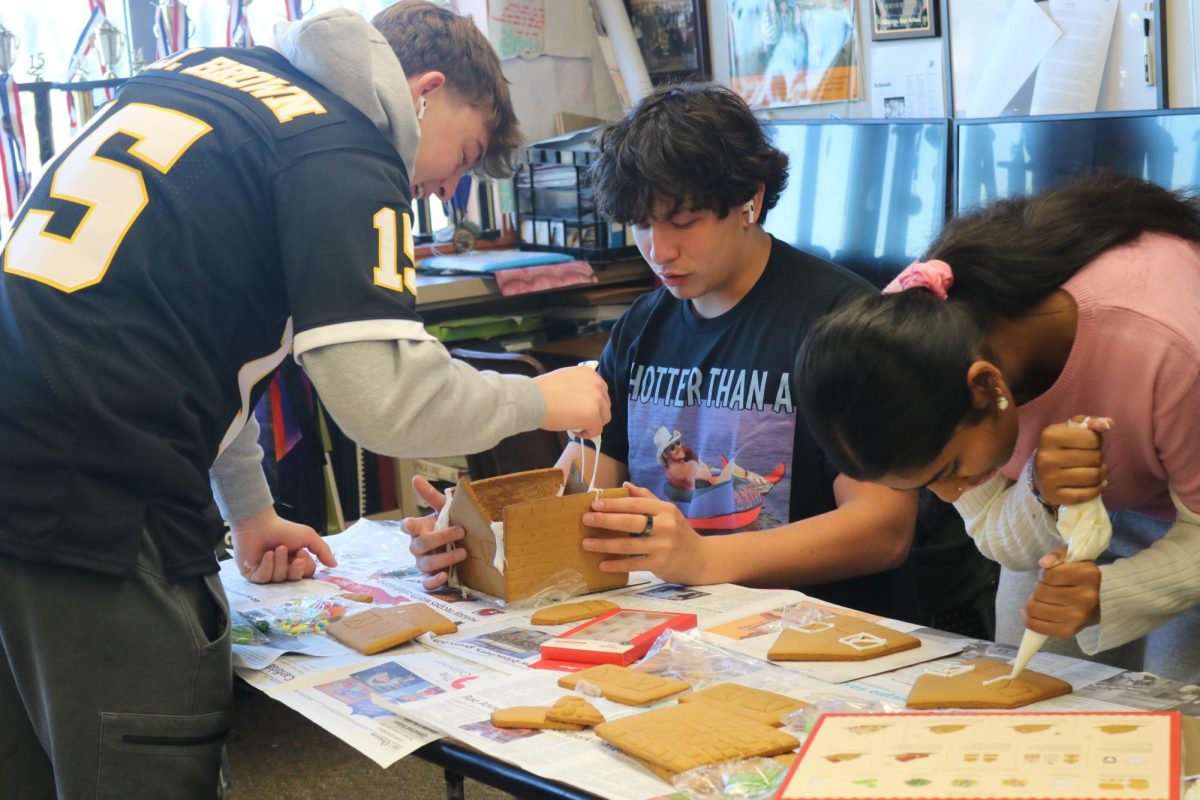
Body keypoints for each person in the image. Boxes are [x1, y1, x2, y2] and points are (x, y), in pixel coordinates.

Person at [0, 3, 610, 796]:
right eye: (463, 155)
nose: (450, 189)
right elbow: (382, 400)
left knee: (37, 763)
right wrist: (541, 398)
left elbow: (193, 338)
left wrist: (251, 510)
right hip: (99, 495)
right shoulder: (345, 145)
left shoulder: (214, 79)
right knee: (143, 757)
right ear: (422, 91)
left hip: (31, 450)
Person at [406, 84, 919, 618]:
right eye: (642, 224)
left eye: (682, 222)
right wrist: (478, 536)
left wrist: (704, 557)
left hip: (815, 636)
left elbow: (884, 530)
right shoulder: (642, 327)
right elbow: (578, 497)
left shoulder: (842, 322)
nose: (659, 250)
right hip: (676, 632)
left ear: (751, 201)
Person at [794, 172, 1200, 681]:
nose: (951, 492)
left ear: (987, 387)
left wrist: (1111, 595)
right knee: (1035, 691)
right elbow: (991, 530)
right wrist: (1041, 492)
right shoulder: (911, 325)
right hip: (1077, 520)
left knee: (1179, 714)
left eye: (951, 470)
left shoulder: (1167, 348)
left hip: (1188, 520)